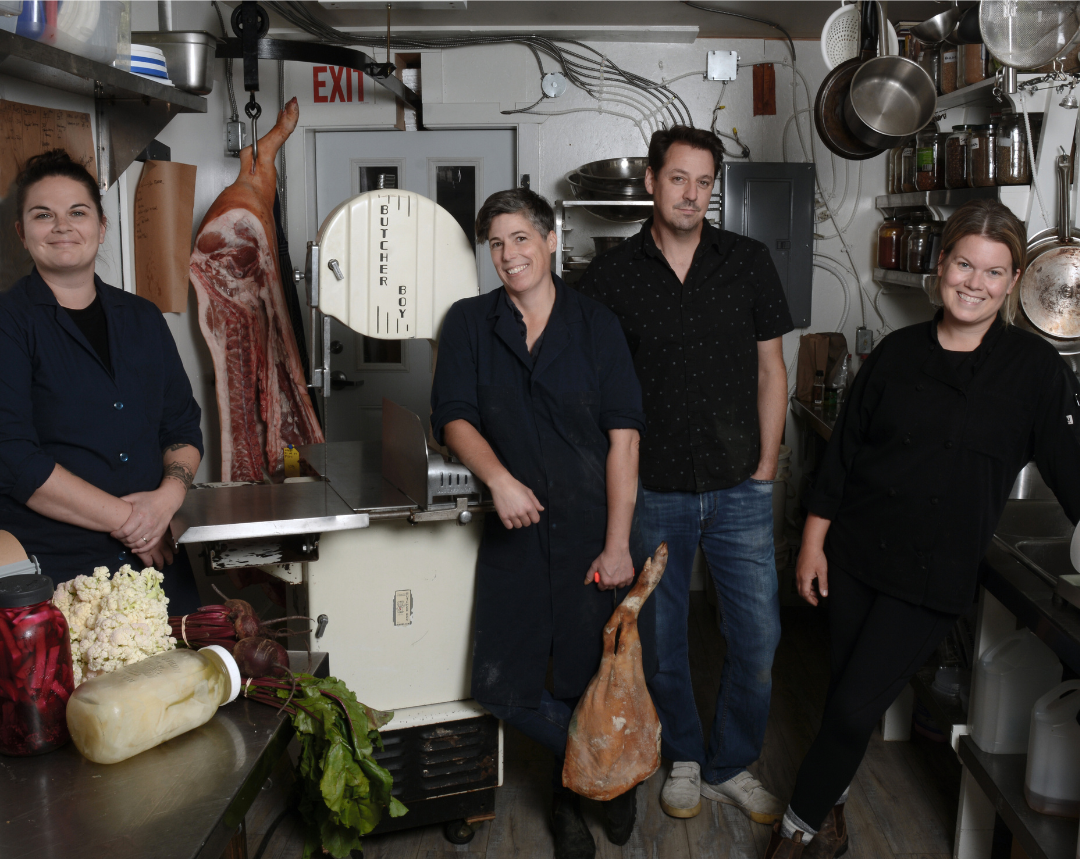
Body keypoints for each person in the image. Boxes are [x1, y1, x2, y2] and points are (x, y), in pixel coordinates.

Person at [773, 199, 1080, 859]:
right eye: (964, 263)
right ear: (940, 266)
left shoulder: (1036, 373)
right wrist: (812, 543)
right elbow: (844, 455)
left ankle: (794, 832)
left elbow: (1073, 474)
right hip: (854, 554)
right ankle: (830, 810)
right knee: (844, 696)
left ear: (1016, 278)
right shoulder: (895, 353)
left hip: (933, 574)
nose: (975, 282)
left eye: (994, 272)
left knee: (855, 706)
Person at [578, 126, 793, 823]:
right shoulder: (609, 279)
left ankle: (732, 761)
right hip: (655, 491)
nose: (692, 193)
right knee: (664, 638)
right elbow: (591, 387)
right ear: (650, 181)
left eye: (704, 182)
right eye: (678, 178)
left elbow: (771, 368)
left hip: (739, 485)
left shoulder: (749, 261)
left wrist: (765, 466)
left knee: (756, 637)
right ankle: (688, 758)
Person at [430, 188, 651, 859]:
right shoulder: (469, 323)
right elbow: (454, 416)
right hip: (515, 533)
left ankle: (571, 806)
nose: (508, 254)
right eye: (496, 243)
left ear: (551, 239)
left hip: (592, 533)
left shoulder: (596, 325)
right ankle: (613, 773)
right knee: (504, 687)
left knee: (588, 678)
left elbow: (625, 439)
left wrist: (618, 546)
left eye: (520, 238)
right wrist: (498, 478)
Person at [0, 150, 203, 612]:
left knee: (188, 677)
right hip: (56, 571)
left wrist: (166, 502)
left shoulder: (143, 318)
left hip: (156, 562)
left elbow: (182, 428)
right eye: (42, 215)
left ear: (102, 226)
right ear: (22, 233)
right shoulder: (9, 322)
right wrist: (134, 521)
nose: (62, 226)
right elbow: (13, 459)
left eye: (77, 212)